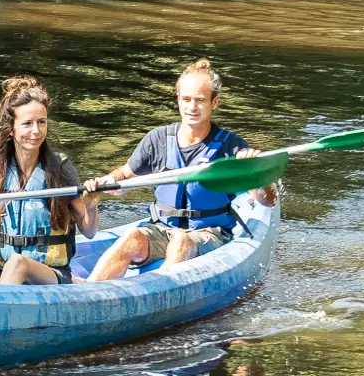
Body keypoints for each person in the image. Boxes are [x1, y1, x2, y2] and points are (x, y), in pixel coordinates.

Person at [82, 59, 277, 282]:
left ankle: (158, 293)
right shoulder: (158, 140)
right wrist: (108, 181)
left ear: (214, 102)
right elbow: (125, 175)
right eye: (186, 99)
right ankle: (88, 290)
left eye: (200, 100)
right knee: (132, 237)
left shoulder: (230, 146)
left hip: (209, 232)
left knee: (181, 240)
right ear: (178, 100)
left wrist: (256, 173)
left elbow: (267, 201)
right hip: (162, 228)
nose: (192, 107)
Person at [0, 76, 101, 285]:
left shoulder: (60, 168)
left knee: (18, 263)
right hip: (1, 272)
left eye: (42, 122)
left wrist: (91, 206)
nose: (36, 131)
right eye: (27, 124)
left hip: (48, 274)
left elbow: (90, 231)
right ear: (11, 129)